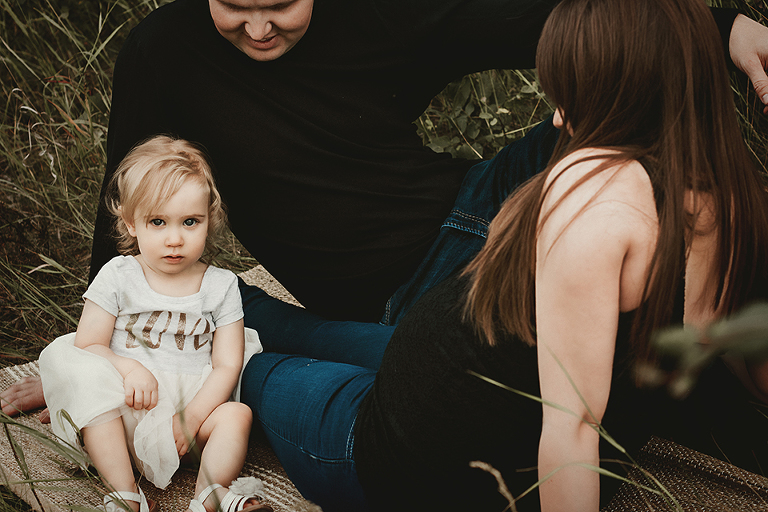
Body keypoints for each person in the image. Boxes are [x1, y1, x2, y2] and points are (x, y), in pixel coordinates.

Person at [236, 0, 768, 510]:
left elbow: (572, 428)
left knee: (243, 370)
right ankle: (191, 295)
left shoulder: (595, 200)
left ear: (624, 94)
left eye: (572, 96)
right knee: (281, 323)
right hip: (433, 356)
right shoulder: (733, 198)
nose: (558, 120)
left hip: (399, 447)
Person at [38, 136, 272, 512]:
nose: (175, 238)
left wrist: (193, 417)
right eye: (158, 222)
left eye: (190, 222)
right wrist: (129, 369)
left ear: (208, 220)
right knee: (93, 398)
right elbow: (88, 344)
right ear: (131, 223)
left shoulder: (221, 285)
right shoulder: (118, 275)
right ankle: (125, 493)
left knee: (237, 415)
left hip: (190, 418)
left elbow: (228, 363)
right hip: (128, 411)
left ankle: (209, 495)